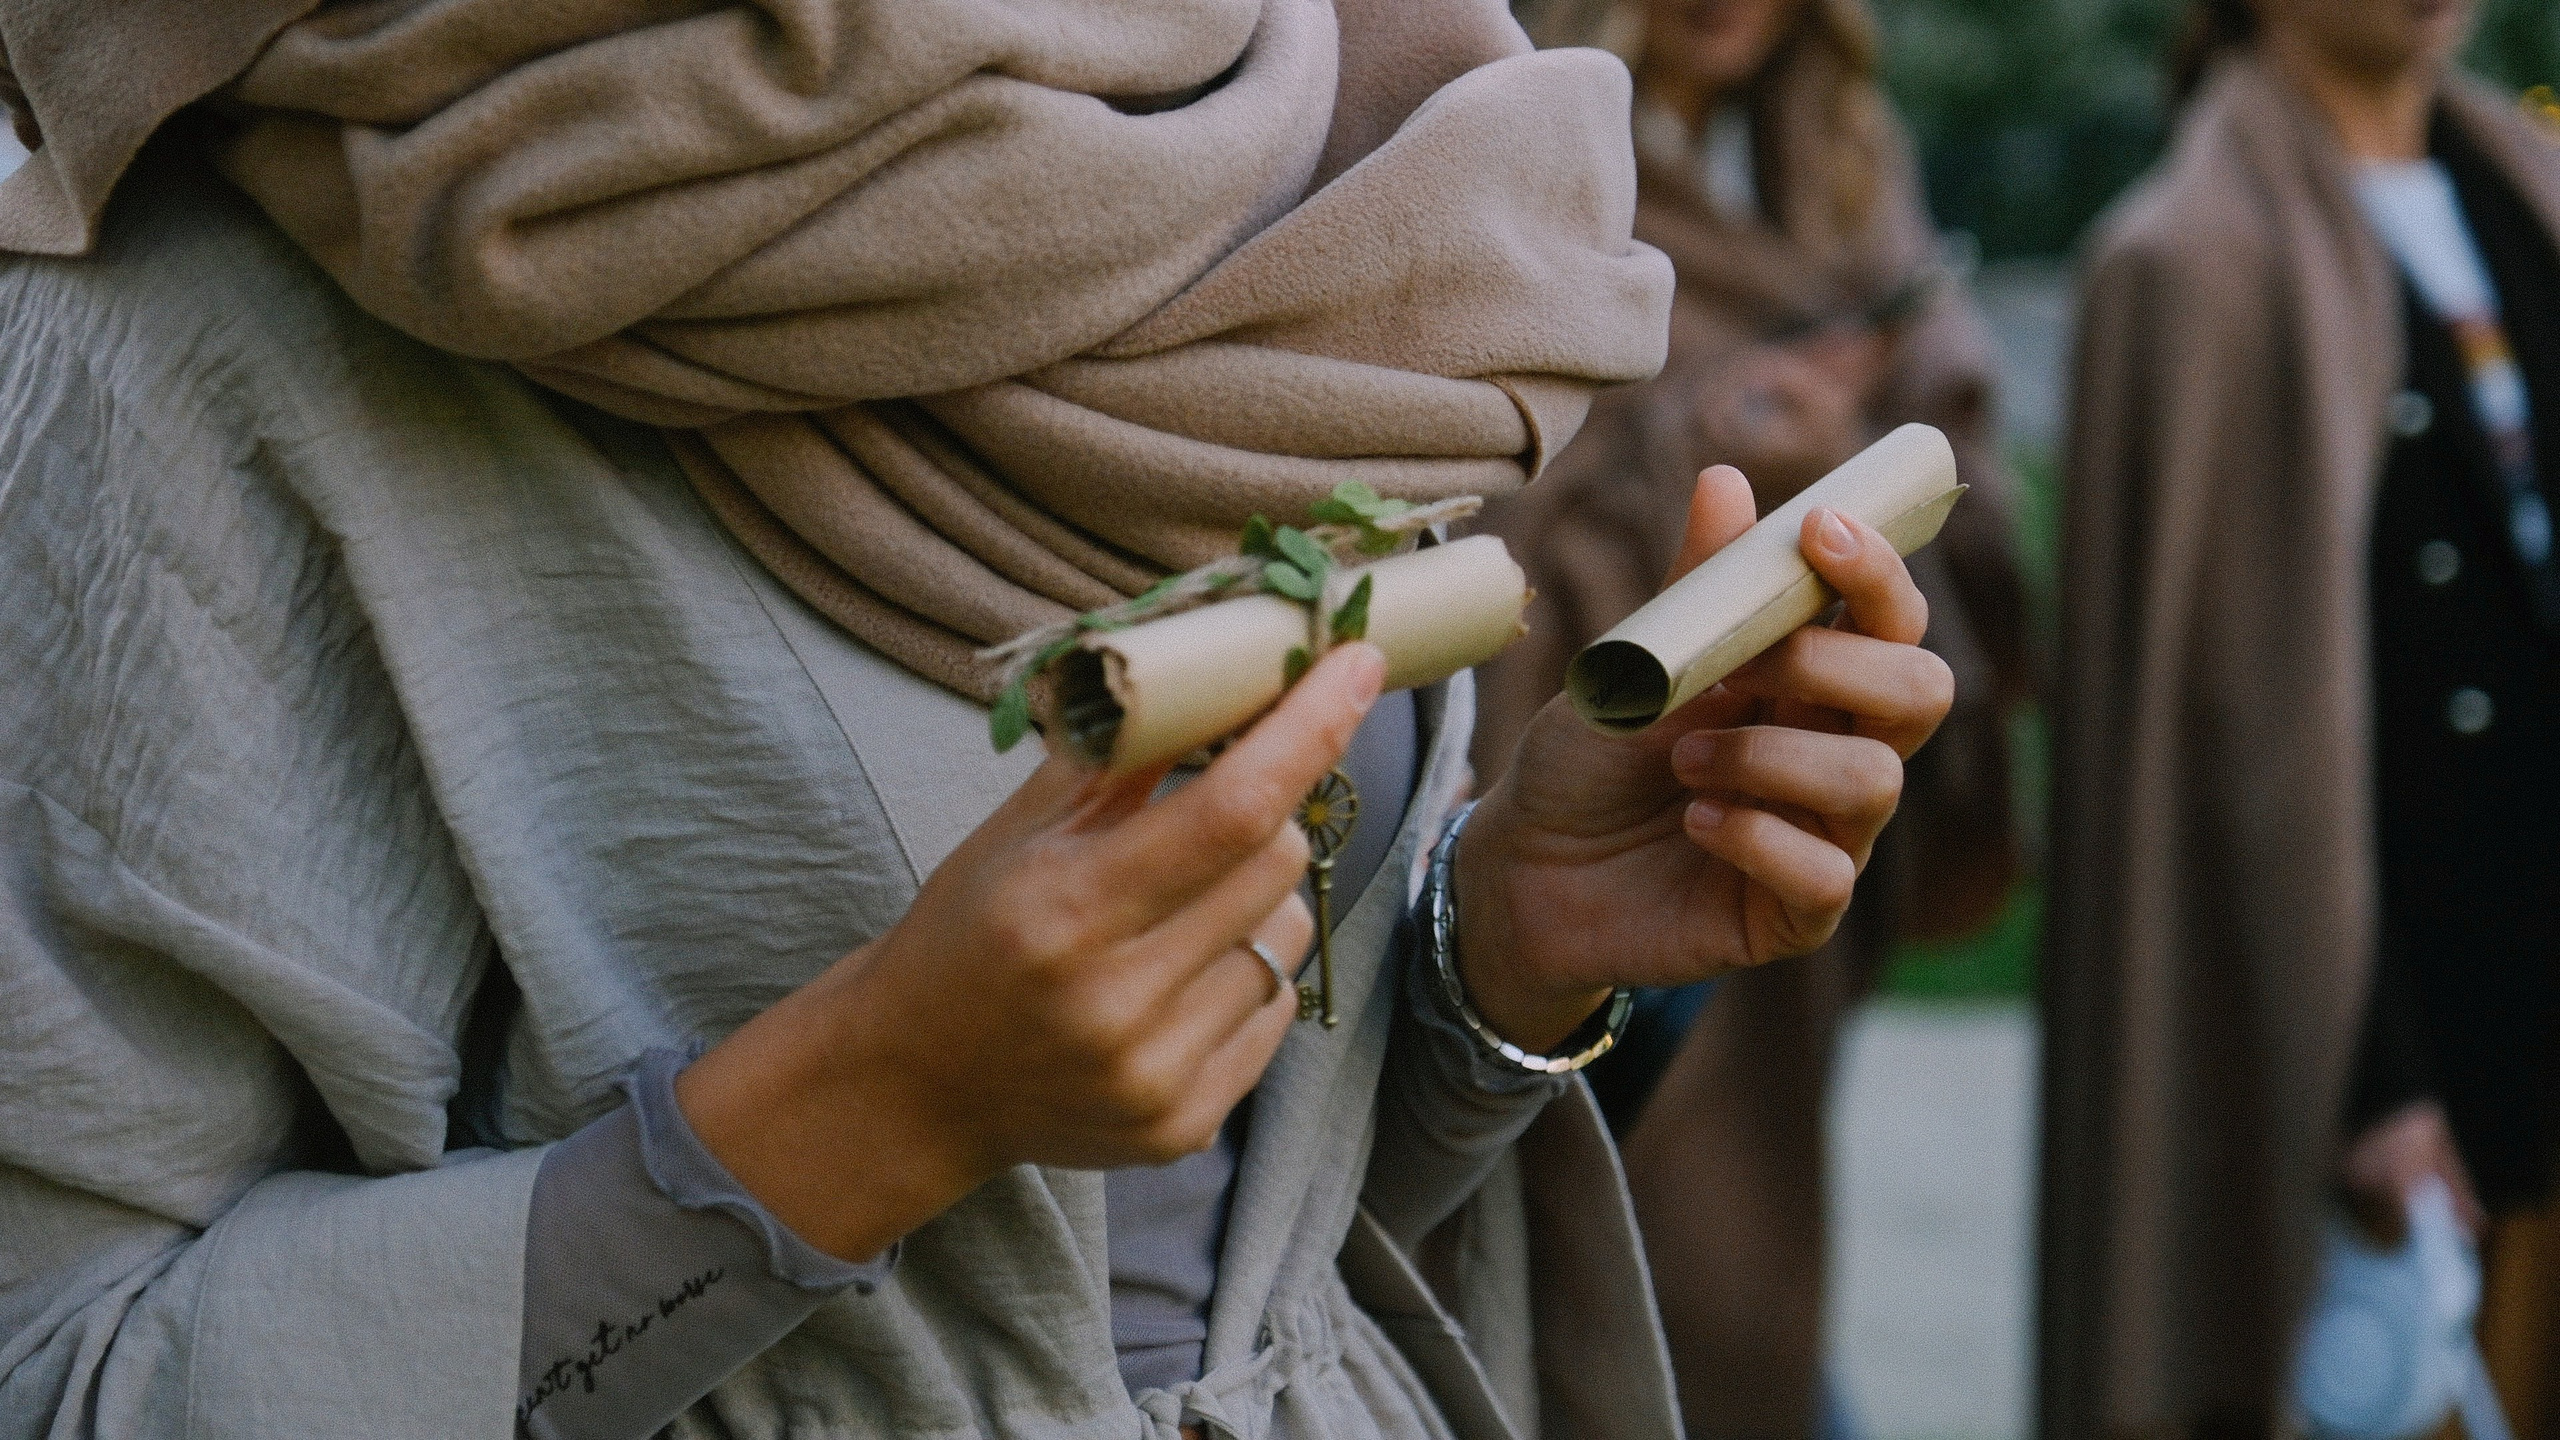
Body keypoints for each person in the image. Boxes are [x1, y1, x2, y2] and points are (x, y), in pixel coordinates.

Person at [0, 3, 1959, 1439]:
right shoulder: (202, 327)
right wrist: (869, 1107)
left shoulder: (1362, 174)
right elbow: (61, 1366)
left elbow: (1201, 1293)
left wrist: (1487, 960)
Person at [1476, 2, 2031, 1436]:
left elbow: (1962, 442)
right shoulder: (1529, 129)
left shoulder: (1842, 162)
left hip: (1799, 753)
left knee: (1758, 1215)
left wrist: (1887, 432)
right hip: (1625, 765)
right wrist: (1704, 446)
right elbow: (1492, 504)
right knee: (1633, 1248)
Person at [2044, 0, 2560, 1433]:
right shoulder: (2187, 263)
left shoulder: (2526, 196)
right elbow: (2208, 743)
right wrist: (2365, 1081)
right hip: (2379, 1042)